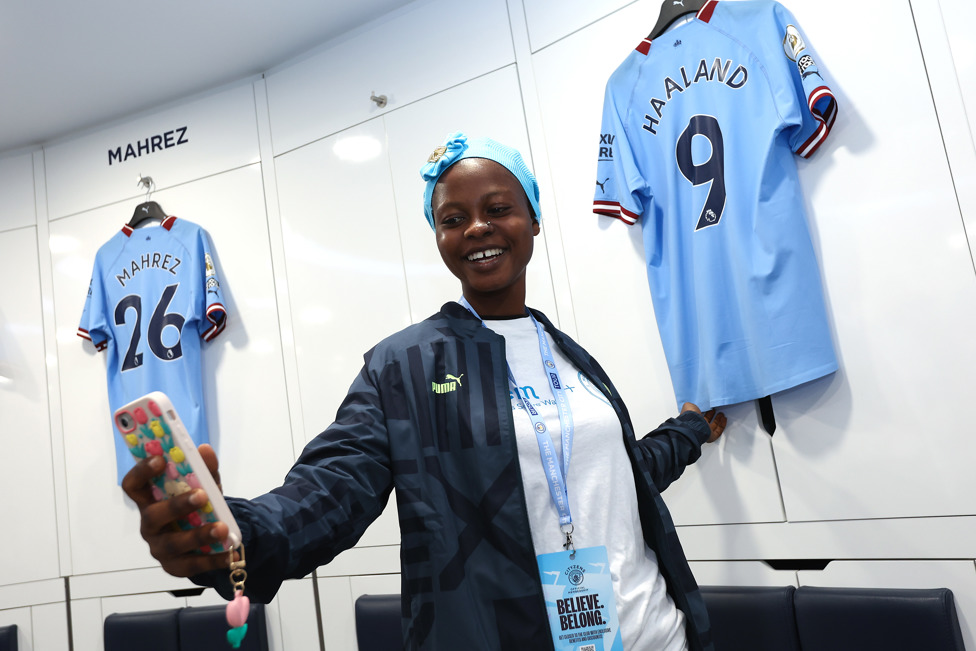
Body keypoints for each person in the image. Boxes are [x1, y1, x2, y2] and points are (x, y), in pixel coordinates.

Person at [122, 132, 726, 651]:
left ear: (534, 218)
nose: (477, 229)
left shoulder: (571, 356)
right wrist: (235, 536)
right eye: (452, 219)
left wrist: (692, 429)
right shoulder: (404, 366)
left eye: (498, 208)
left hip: (658, 633)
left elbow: (619, 474)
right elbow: (331, 490)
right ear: (438, 237)